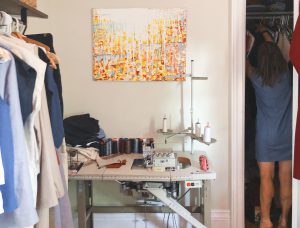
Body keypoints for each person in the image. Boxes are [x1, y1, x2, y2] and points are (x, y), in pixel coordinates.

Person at [246, 27, 292, 228]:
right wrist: (266, 32)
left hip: (265, 137)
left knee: (266, 177)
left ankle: (265, 220)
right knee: (285, 178)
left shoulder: (257, 79)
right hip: (286, 136)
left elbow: (244, 63)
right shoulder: (288, 78)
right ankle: (283, 219)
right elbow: (274, 52)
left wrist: (247, 44)